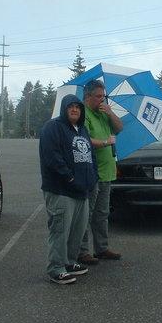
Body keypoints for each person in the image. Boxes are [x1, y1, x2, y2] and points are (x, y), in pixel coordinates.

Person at [39, 94, 98, 284]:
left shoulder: (82, 130)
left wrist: (93, 177)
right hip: (61, 189)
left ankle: (70, 262)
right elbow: (52, 157)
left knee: (77, 230)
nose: (75, 109)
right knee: (60, 230)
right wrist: (70, 177)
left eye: (78, 107)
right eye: (71, 106)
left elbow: (90, 155)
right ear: (64, 109)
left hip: (82, 190)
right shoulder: (53, 127)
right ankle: (56, 268)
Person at [78, 80, 124, 265]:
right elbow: (85, 140)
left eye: (103, 96)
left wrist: (111, 112)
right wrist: (106, 142)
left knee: (102, 213)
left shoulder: (103, 113)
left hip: (107, 171)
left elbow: (119, 128)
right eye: (98, 96)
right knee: (86, 214)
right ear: (88, 96)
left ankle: (102, 248)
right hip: (91, 172)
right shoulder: (84, 114)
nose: (101, 100)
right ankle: (82, 251)